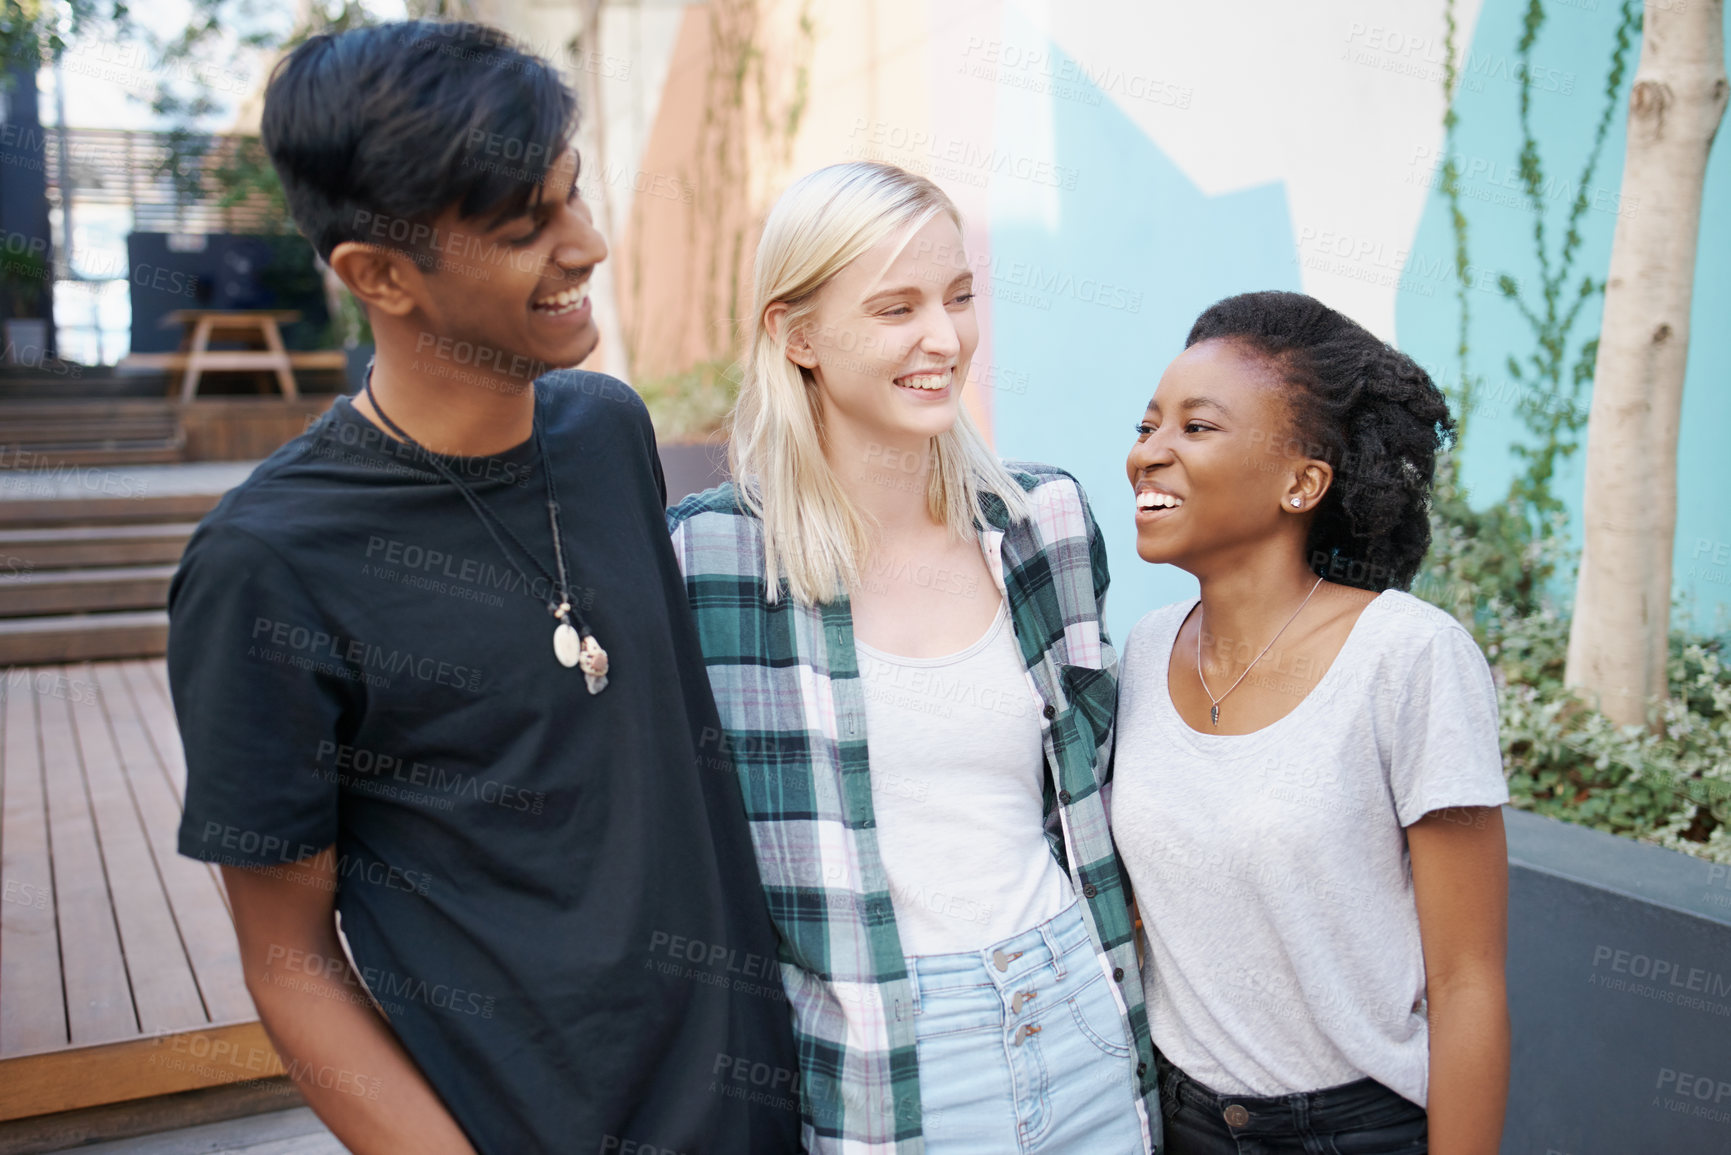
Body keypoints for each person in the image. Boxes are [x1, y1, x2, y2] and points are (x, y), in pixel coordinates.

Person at [168, 22, 798, 1155]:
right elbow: (290, 963)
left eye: (575, 196)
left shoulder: (606, 430)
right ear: (377, 274)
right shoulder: (266, 563)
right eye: (528, 228)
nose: (589, 243)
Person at [665, 161, 1157, 1153]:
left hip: (1082, 1007)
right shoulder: (706, 559)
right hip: (880, 1054)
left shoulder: (1045, 522)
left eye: (960, 296)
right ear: (795, 335)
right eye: (896, 308)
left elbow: (1087, 789)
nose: (945, 339)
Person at [1110, 290, 1511, 1154]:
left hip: (1352, 1129)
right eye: (1148, 426)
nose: (1149, 454)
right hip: (1173, 1119)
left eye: (1196, 428)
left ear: (1302, 481)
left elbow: (1466, 978)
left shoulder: (1407, 658)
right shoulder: (1144, 654)